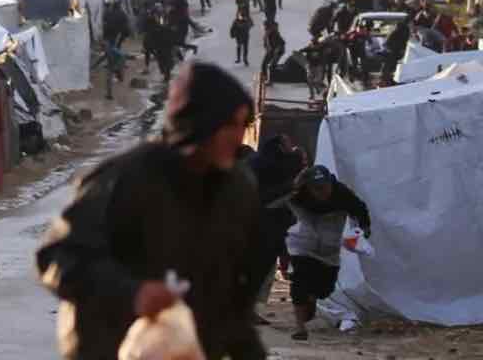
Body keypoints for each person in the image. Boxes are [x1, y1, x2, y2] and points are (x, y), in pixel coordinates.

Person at [37, 62, 265, 360]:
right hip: (110, 347)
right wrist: (132, 293)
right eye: (229, 126)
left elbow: (230, 294)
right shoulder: (125, 179)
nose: (238, 137)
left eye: (242, 126)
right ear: (199, 124)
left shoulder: (237, 190)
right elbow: (58, 258)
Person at [286, 165, 371, 341]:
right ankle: (300, 327)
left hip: (329, 246)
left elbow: (360, 210)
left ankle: (310, 298)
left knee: (325, 288)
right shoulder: (298, 192)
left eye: (324, 188)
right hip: (304, 241)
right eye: (316, 189)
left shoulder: (342, 194)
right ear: (308, 187)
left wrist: (363, 231)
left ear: (331, 183)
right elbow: (275, 203)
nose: (321, 193)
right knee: (300, 279)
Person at [246, 136, 307, 324]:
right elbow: (268, 196)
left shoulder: (262, 164)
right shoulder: (268, 168)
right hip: (261, 227)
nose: (292, 146)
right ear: (280, 147)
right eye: (288, 144)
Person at [262, 21, 286, 86]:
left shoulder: (274, 34)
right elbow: (266, 43)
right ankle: (265, 78)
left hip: (278, 51)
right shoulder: (268, 33)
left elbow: (281, 43)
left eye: (266, 27)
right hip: (272, 51)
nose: (265, 29)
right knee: (264, 64)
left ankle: (270, 80)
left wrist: (276, 52)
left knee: (271, 66)